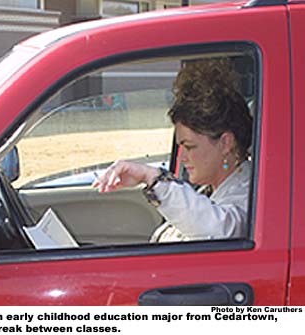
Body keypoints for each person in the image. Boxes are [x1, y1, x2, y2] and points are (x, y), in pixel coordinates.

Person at [92, 59, 253, 242]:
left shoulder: (251, 196)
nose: (182, 157)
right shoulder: (209, 190)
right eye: (180, 146)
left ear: (225, 143)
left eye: (190, 147)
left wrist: (153, 178)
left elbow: (220, 231)